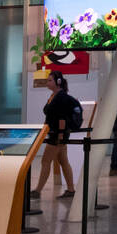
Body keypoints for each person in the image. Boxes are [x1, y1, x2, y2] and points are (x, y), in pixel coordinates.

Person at [32, 71, 77, 199]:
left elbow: (62, 118)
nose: (47, 82)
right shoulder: (53, 96)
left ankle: (37, 191)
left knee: (45, 161)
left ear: (58, 82)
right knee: (63, 161)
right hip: (56, 133)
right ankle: (71, 190)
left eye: (50, 80)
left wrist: (61, 137)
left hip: (57, 135)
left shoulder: (61, 97)